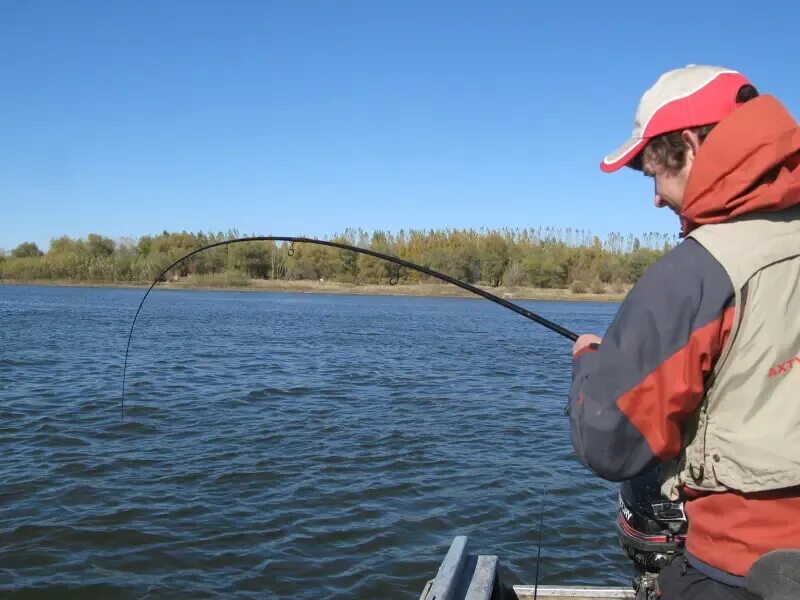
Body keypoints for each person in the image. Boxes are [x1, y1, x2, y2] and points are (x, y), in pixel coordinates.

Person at [567, 64, 800, 599]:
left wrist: (592, 366)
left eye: (653, 174)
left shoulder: (698, 273)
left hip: (741, 567)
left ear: (692, 146)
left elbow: (610, 440)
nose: (654, 197)